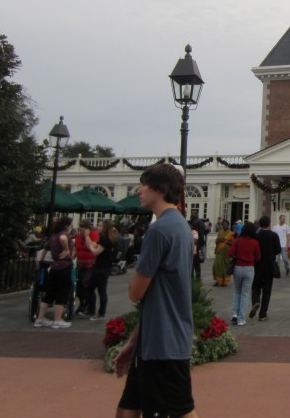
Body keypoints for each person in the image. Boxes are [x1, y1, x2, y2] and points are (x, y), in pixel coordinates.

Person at [113, 164, 198, 418]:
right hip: (156, 339)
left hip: (163, 343)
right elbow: (161, 294)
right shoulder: (180, 226)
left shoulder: (159, 230)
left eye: (144, 185)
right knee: (128, 407)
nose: (139, 191)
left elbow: (136, 293)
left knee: (179, 410)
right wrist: (134, 341)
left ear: (159, 189)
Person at [34, 217, 75, 329]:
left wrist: (42, 259)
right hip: (64, 266)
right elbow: (63, 238)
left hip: (54, 266)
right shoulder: (64, 234)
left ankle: (40, 319)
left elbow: (46, 248)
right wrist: (66, 249)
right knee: (62, 294)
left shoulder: (53, 235)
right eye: (71, 224)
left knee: (49, 294)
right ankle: (57, 320)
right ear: (67, 225)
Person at [83, 219, 118, 321]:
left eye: (100, 226)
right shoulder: (104, 238)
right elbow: (94, 246)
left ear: (105, 227)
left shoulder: (105, 239)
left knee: (101, 290)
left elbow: (95, 252)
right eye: (98, 225)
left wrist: (88, 240)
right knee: (90, 288)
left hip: (103, 267)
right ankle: (91, 310)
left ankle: (101, 313)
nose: (98, 227)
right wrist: (88, 239)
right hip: (100, 266)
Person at [249, 216, 281, 322]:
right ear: (269, 224)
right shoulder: (274, 235)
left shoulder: (256, 235)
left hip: (257, 264)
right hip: (269, 265)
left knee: (256, 286)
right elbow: (278, 250)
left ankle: (256, 301)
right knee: (267, 290)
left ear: (260, 224)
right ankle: (263, 314)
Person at [228, 222, 261, 326]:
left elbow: (230, 253)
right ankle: (241, 318)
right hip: (249, 268)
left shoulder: (237, 240)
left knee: (237, 291)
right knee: (245, 293)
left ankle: (234, 313)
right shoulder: (255, 242)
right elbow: (258, 257)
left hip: (238, 267)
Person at [74, 221, 99, 315]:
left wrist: (87, 236)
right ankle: (82, 303)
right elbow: (75, 248)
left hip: (90, 263)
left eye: (82, 228)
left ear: (87, 229)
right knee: (78, 284)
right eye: (80, 228)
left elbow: (94, 246)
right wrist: (71, 258)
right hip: (80, 263)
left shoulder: (93, 234)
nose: (80, 230)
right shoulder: (78, 236)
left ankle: (89, 305)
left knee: (86, 283)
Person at [212, 219, 234, 287]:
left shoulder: (231, 233)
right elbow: (216, 241)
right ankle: (217, 280)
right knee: (216, 266)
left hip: (226, 253)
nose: (224, 225)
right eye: (223, 224)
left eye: (225, 224)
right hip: (219, 251)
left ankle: (224, 282)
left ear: (228, 225)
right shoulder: (220, 232)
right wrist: (218, 240)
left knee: (224, 267)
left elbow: (232, 243)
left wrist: (225, 241)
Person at [189, 209, 206, 281]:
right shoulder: (190, 222)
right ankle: (191, 277)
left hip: (196, 246)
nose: (193, 214)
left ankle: (198, 277)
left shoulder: (199, 223)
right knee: (191, 263)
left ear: (197, 214)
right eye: (192, 213)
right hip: (191, 245)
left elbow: (201, 236)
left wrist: (200, 246)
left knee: (196, 263)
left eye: (194, 213)